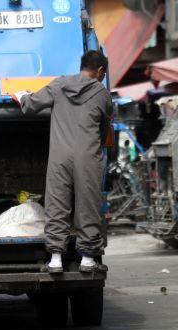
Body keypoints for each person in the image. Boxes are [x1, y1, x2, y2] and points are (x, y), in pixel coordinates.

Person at [13, 50, 112, 273]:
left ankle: (55, 259)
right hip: (87, 156)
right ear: (100, 72)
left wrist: (21, 96)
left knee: (57, 203)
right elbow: (104, 130)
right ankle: (87, 259)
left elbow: (30, 105)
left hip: (59, 156)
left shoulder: (59, 84)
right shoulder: (102, 93)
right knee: (88, 204)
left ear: (82, 66)